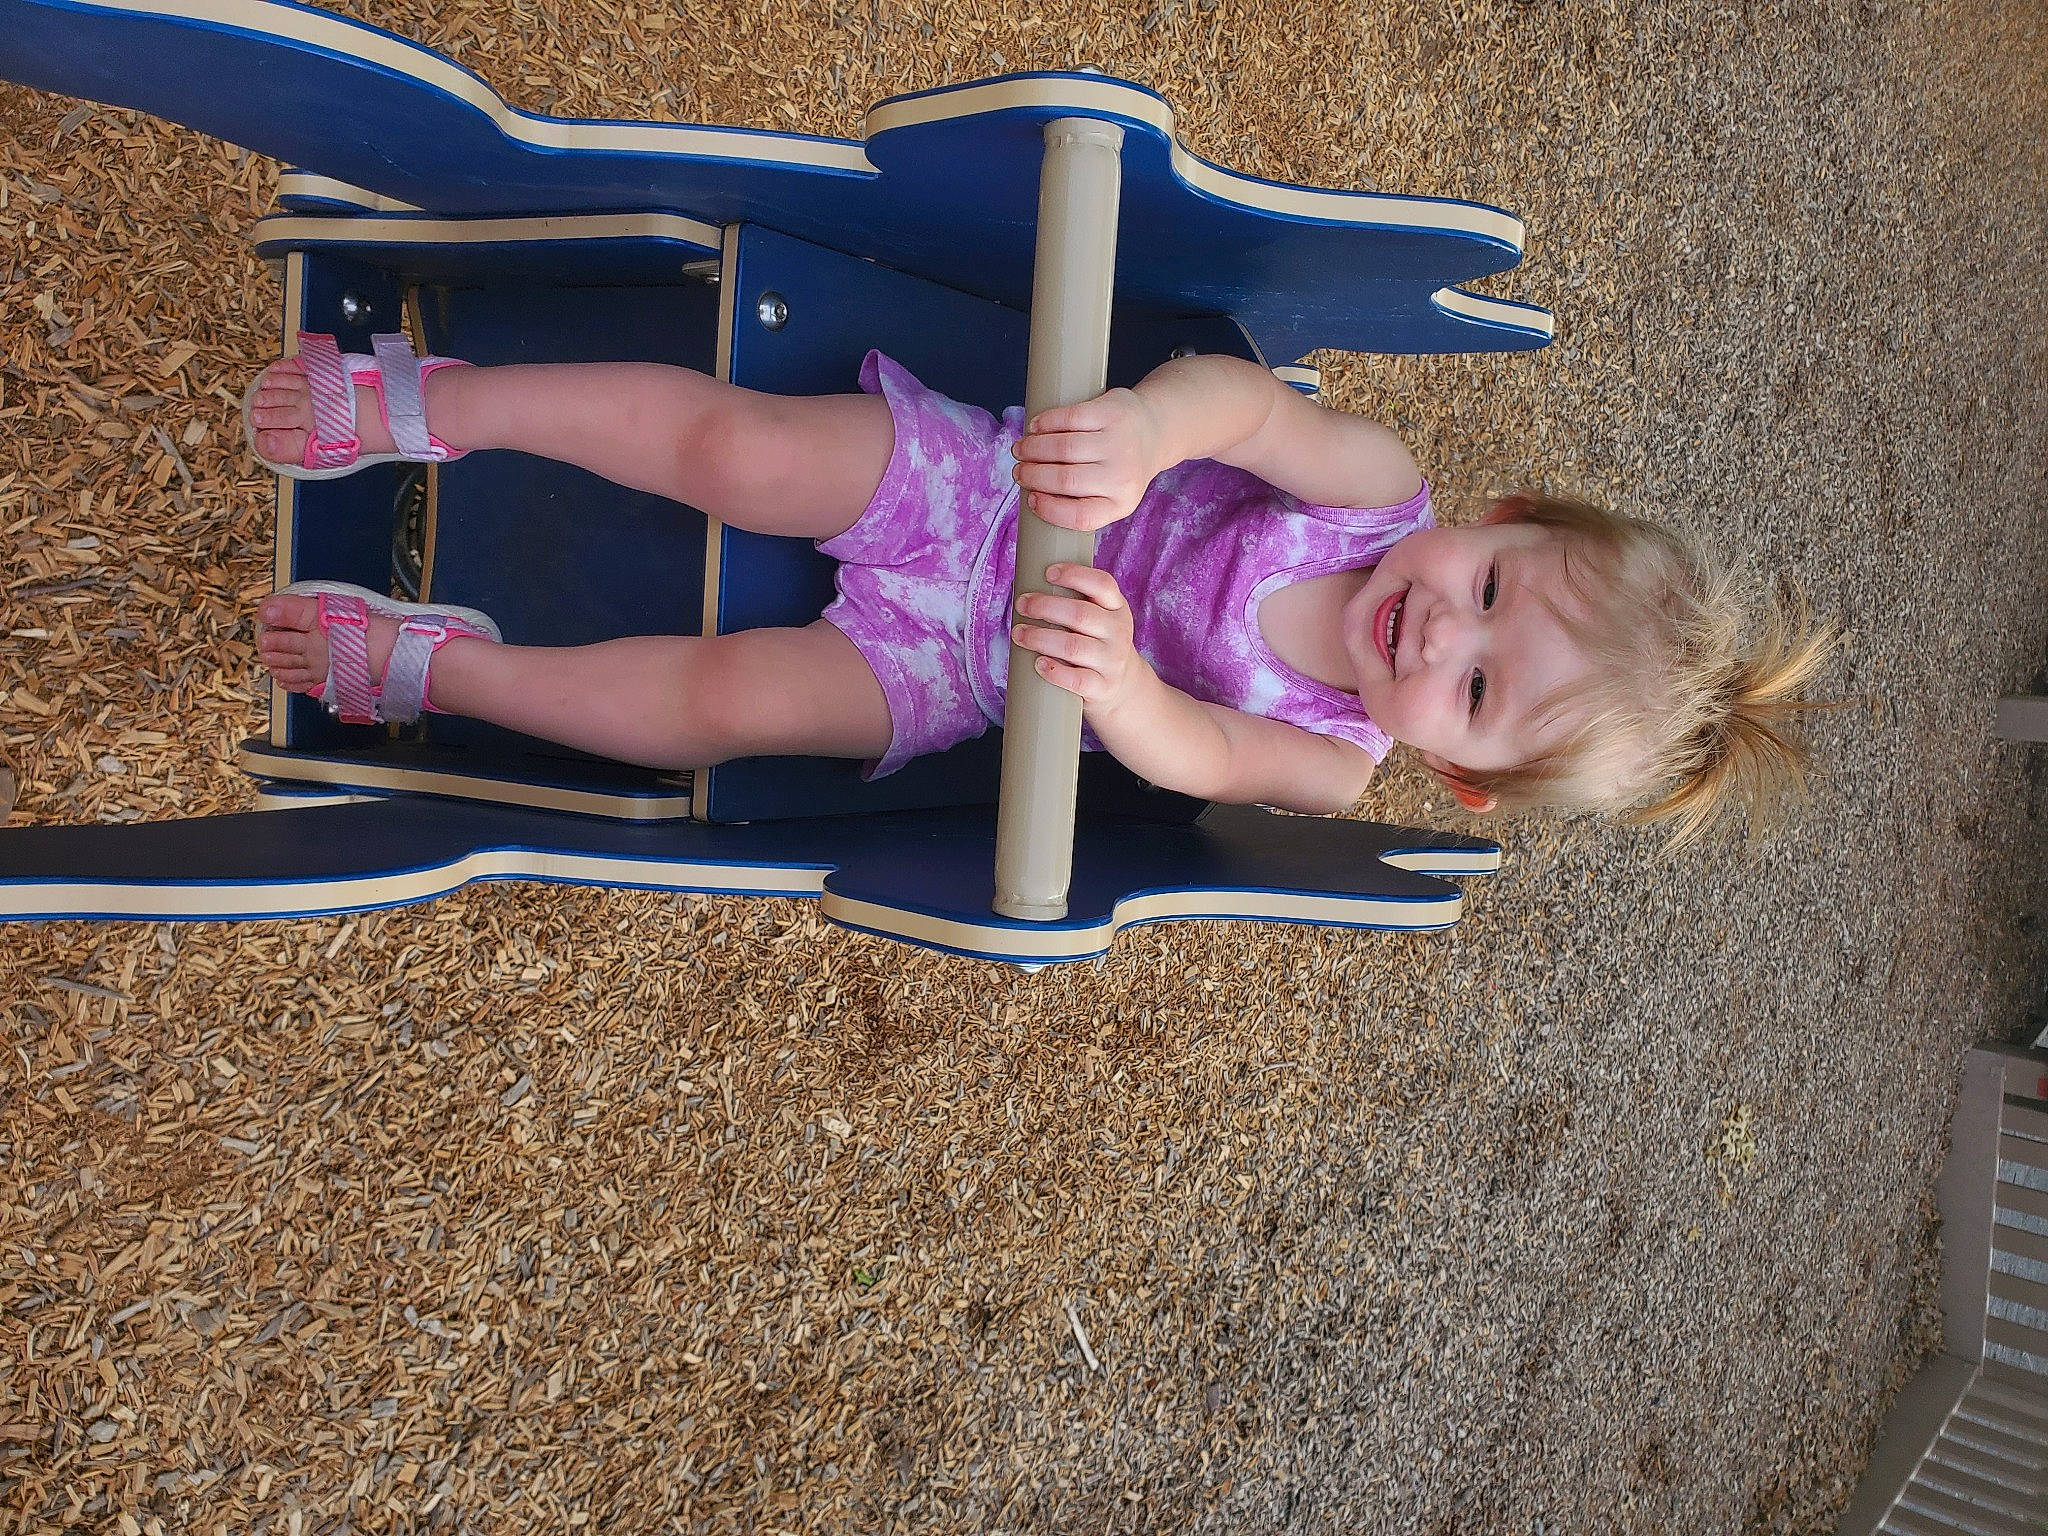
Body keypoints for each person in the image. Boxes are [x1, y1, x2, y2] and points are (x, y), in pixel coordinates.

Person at [245, 336, 1832, 842]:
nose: (1444, 624)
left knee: (728, 711)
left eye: (1476, 685)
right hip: (994, 487)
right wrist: (1146, 430)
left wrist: (1131, 693)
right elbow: (1251, 407)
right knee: (742, 449)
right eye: (1487, 582)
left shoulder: (1338, 759)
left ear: (1461, 773)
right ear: (1495, 515)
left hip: (994, 666)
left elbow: (1204, 757)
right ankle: (443, 402)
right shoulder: (1377, 493)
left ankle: (443, 670)